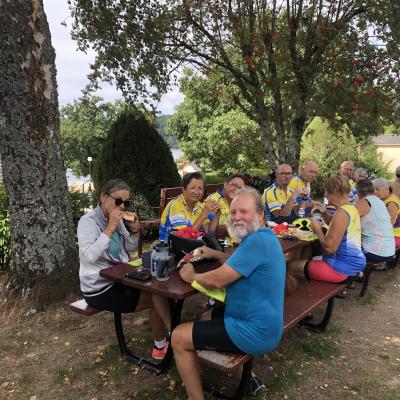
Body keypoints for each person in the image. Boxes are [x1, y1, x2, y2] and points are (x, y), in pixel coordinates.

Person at [171, 187, 286, 400]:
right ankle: (247, 376)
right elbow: (239, 264)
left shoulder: (256, 241)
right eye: (233, 212)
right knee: (204, 316)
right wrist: (214, 253)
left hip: (254, 329)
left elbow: (217, 280)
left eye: (244, 212)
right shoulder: (263, 236)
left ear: (260, 214)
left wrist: (190, 276)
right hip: (261, 318)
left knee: (178, 336)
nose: (237, 217)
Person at [78, 179, 171, 360]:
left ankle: (170, 336)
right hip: (99, 287)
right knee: (157, 297)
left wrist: (135, 231)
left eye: (126, 203)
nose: (122, 206)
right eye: (118, 201)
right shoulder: (87, 222)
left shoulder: (118, 219)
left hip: (120, 277)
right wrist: (110, 227)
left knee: (160, 289)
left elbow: (128, 247)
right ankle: (165, 342)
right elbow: (88, 256)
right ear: (103, 197)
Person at [286, 176, 366, 295]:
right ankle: (303, 295)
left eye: (327, 191)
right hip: (354, 264)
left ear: (334, 191)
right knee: (306, 259)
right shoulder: (350, 209)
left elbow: (329, 248)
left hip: (341, 269)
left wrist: (318, 229)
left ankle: (291, 305)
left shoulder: (341, 213)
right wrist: (324, 213)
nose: (325, 194)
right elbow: (334, 224)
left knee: (291, 268)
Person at [159, 172, 219, 241]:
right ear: (183, 189)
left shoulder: (199, 205)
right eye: (192, 188)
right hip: (170, 248)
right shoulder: (175, 206)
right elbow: (183, 239)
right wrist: (204, 214)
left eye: (200, 188)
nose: (196, 192)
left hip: (194, 247)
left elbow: (209, 231)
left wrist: (217, 214)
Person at [355, 179, 395, 262]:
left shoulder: (363, 202)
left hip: (376, 253)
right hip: (390, 250)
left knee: (345, 249)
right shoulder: (380, 202)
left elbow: (346, 221)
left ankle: (357, 273)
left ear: (358, 192)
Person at [373, 178, 400, 248]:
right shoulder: (385, 198)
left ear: (387, 189)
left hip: (395, 234)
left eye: (377, 189)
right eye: (374, 190)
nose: (375, 192)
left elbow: (389, 225)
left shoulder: (392, 204)